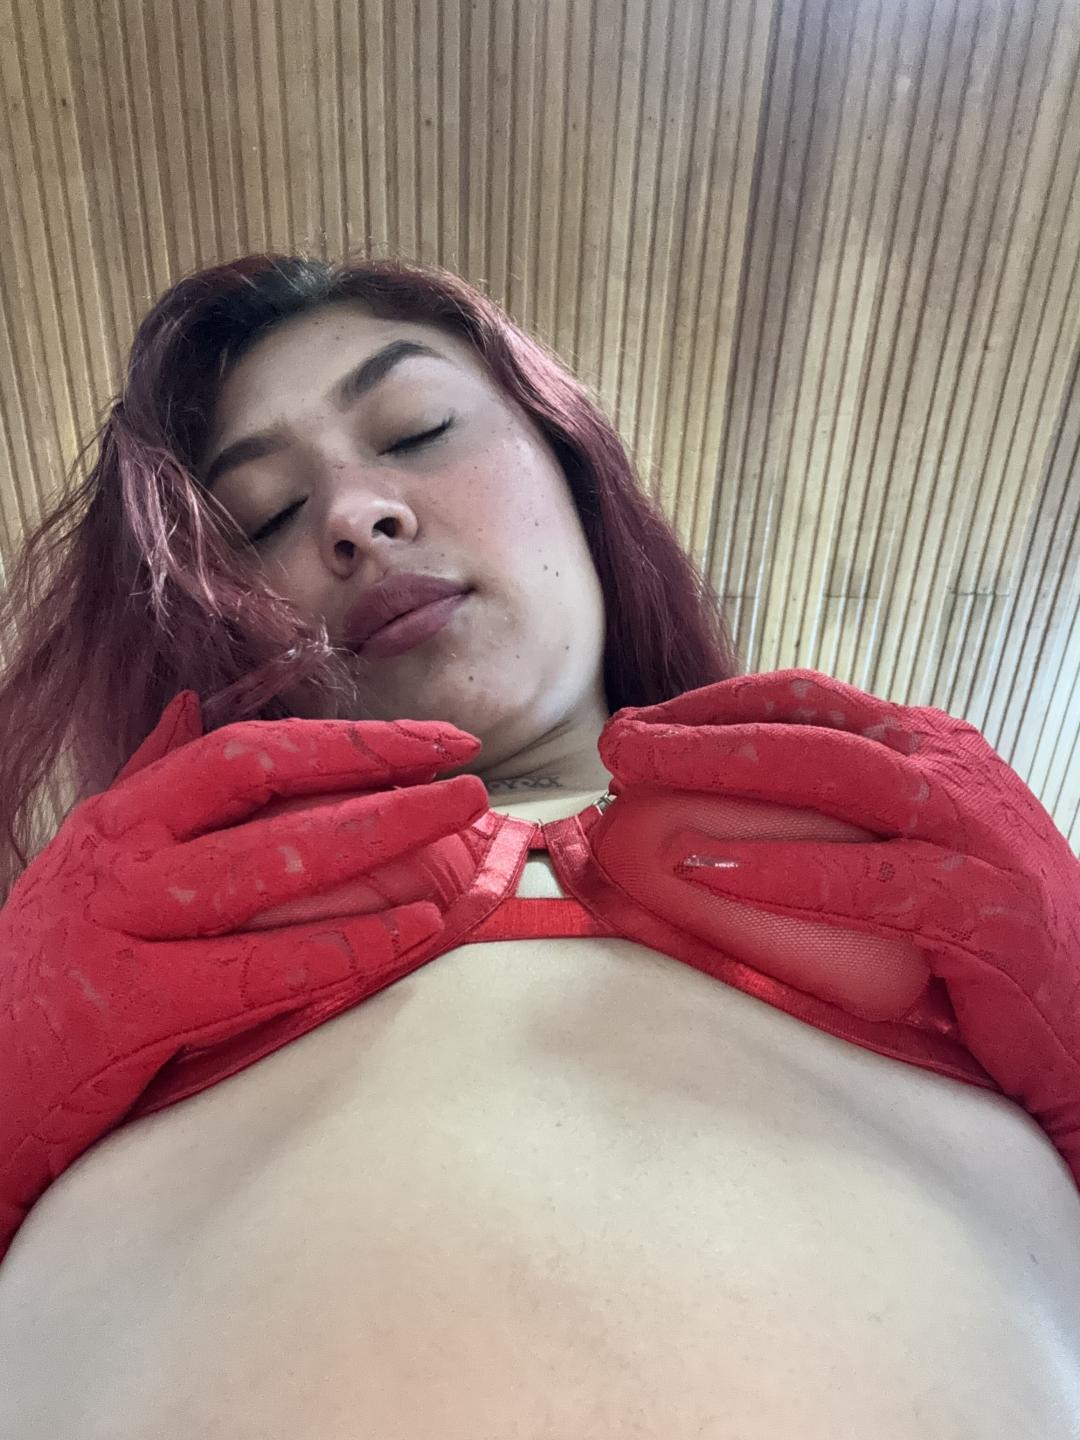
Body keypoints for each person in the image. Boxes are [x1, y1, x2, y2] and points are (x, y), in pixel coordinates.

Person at [0, 255, 1077, 1438]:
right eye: (264, 517)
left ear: (575, 466)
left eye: (417, 429)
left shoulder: (917, 842)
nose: (355, 515)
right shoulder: (112, 942)